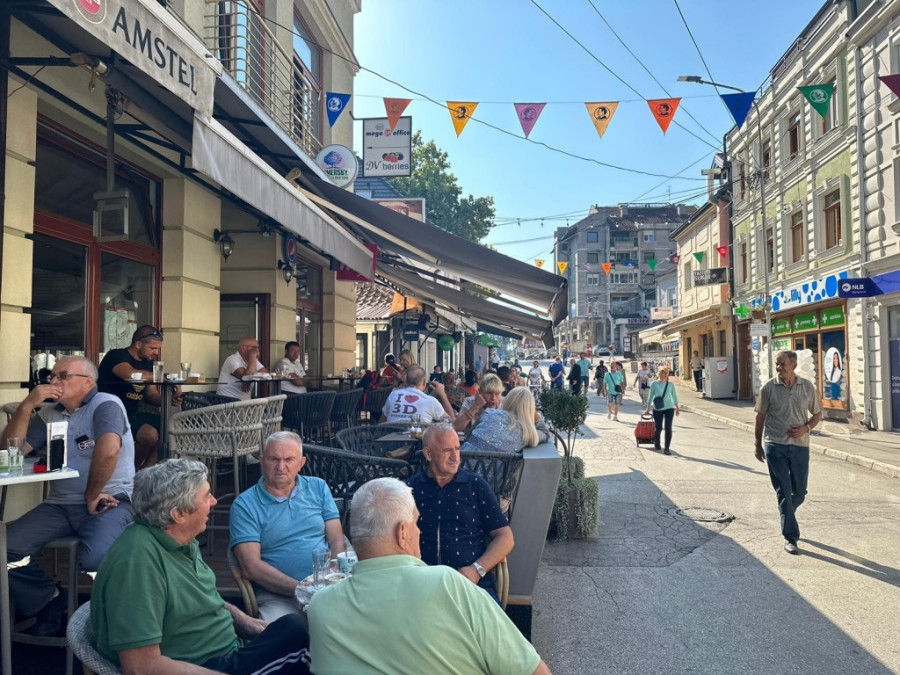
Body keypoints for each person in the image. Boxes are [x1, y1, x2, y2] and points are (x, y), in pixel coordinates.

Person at [307, 477, 551, 675]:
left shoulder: (320, 607)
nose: (419, 530)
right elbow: (534, 671)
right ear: (402, 533)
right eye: (416, 522)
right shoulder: (449, 585)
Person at [91, 459, 310, 673]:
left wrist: (244, 621)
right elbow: (140, 666)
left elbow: (200, 599)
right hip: (204, 666)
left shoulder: (179, 538)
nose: (215, 501)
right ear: (179, 514)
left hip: (228, 651)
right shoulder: (137, 564)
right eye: (206, 496)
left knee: (298, 628)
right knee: (314, 651)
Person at [1, 356, 135, 637]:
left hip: (108, 500)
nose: (53, 381)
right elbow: (8, 454)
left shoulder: (106, 404)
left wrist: (92, 494)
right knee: (4, 549)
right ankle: (48, 599)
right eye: (51, 376)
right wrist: (26, 407)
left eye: (62, 375)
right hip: (60, 505)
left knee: (97, 560)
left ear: (88, 382)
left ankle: (116, 625)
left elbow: (109, 450)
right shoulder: (49, 414)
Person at [230, 432, 345, 622]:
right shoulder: (245, 505)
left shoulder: (318, 487)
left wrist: (333, 578)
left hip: (326, 587)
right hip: (277, 596)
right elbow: (251, 567)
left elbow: (336, 539)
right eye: (274, 459)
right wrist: (303, 590)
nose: (281, 467)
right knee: (285, 635)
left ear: (301, 463)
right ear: (261, 461)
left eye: (289, 459)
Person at [411, 424, 514, 599]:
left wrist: (477, 569)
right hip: (423, 585)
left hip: (471, 584)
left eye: (457, 449)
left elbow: (506, 537)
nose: (455, 457)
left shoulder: (475, 486)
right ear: (428, 454)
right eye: (446, 450)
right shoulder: (411, 489)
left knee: (489, 626)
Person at [754, 350, 823, 555]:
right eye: (777, 364)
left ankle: (786, 513)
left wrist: (807, 428)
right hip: (775, 444)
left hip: (801, 445)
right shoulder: (768, 387)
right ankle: (791, 537)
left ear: (793, 364)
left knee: (800, 492)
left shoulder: (807, 387)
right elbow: (760, 417)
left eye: (782, 364)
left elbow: (817, 413)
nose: (779, 368)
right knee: (783, 490)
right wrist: (757, 444)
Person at [98, 324, 180, 469]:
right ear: (138, 344)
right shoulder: (117, 355)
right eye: (153, 348)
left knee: (170, 430)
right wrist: (166, 377)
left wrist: (167, 400)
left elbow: (151, 395)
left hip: (133, 413)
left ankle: (143, 475)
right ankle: (127, 470)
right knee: (150, 435)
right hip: (110, 413)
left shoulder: (149, 364)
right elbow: (130, 374)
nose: (156, 352)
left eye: (158, 349)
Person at [462, 387, 548, 455]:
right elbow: (545, 432)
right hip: (494, 476)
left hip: (460, 468)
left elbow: (469, 436)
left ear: (508, 400)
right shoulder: (526, 434)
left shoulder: (489, 413)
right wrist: (534, 414)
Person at [381, 365, 454, 423]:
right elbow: (452, 422)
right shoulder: (431, 401)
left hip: (391, 440)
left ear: (406, 381)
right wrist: (442, 394)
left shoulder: (393, 395)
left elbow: (382, 422)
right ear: (424, 381)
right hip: (418, 441)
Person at [644, 367, 680, 455]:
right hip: (657, 408)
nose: (664, 375)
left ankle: (667, 448)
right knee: (658, 428)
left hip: (669, 408)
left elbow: (674, 396)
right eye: (662, 373)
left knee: (668, 428)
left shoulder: (670, 384)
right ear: (659, 374)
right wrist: (648, 408)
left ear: (667, 374)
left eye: (666, 373)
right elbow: (651, 397)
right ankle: (657, 442)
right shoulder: (654, 384)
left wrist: (677, 408)